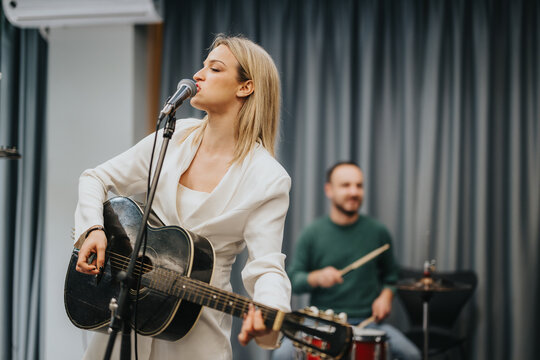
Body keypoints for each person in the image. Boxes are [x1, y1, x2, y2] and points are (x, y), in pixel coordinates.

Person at [73, 34, 291, 360]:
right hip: (124, 317)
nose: (198, 75)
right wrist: (92, 228)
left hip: (194, 336)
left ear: (245, 87)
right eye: (202, 66)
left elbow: (266, 267)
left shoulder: (268, 178)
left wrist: (271, 311)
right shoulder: (172, 137)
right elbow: (95, 178)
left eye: (214, 69)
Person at [272, 162, 421, 360]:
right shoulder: (312, 233)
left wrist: (386, 296)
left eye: (359, 185)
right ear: (329, 190)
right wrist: (317, 277)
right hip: (321, 322)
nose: (354, 191)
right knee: (281, 355)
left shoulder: (378, 232)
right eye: (346, 185)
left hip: (367, 323)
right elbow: (294, 280)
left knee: (411, 354)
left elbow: (391, 277)